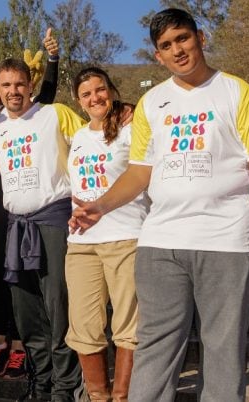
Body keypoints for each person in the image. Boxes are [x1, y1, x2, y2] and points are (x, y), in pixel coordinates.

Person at [70, 8, 249, 402]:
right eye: (166, 45)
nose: (177, 50)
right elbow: (139, 173)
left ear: (200, 38)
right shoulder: (153, 102)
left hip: (226, 240)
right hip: (160, 242)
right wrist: (100, 206)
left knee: (222, 351)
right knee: (155, 346)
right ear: (157, 56)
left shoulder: (237, 92)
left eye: (182, 38)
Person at [0, 58, 86, 401]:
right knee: (27, 314)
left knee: (58, 306)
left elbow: (92, 142)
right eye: (6, 85)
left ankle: (64, 387)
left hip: (54, 221)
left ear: (31, 84)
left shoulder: (55, 114)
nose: (13, 91)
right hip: (16, 228)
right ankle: (41, 383)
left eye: (19, 84)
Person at [0, 28, 60, 381]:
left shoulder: (21, 117)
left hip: (21, 205)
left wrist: (52, 60)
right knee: (3, 278)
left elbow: (46, 98)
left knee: (22, 280)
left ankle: (23, 350)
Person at [65, 68, 147, 401]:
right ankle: (99, 396)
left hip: (125, 236)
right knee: (83, 326)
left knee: (128, 325)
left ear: (111, 91)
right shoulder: (79, 136)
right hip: (82, 243)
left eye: (100, 90)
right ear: (78, 100)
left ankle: (122, 397)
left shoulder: (131, 128)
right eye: (86, 94)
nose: (95, 98)